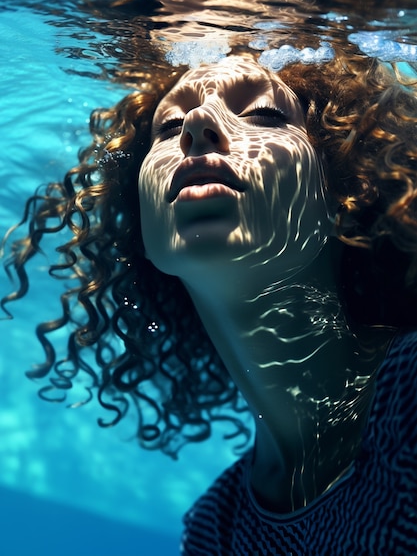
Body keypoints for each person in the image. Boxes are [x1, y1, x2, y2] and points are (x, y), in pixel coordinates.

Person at [3, 46, 417, 554]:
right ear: (140, 219)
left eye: (263, 115)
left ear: (345, 188)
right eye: (167, 125)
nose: (197, 123)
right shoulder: (216, 528)